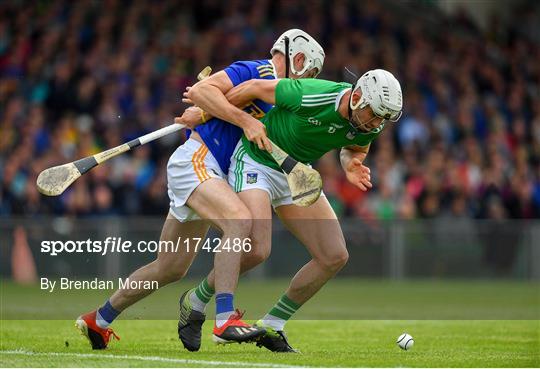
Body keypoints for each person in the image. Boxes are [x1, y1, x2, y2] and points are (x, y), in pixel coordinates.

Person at [75, 29, 325, 351]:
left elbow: (208, 102)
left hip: (215, 177)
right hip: (197, 161)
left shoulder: (283, 98)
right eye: (311, 73)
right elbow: (204, 90)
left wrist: (207, 112)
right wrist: (234, 116)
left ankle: (99, 319)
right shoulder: (256, 71)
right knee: (238, 220)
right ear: (299, 60)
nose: (309, 81)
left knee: (169, 268)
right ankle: (224, 320)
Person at [182, 69, 403, 352]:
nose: (376, 123)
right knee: (256, 249)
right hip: (256, 162)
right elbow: (251, 87)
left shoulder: (372, 122)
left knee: (334, 255)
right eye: (374, 114)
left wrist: (350, 162)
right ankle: (202, 304)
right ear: (357, 97)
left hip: (296, 173)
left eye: (383, 118)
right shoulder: (310, 93)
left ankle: (272, 324)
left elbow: (355, 147)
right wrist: (206, 114)